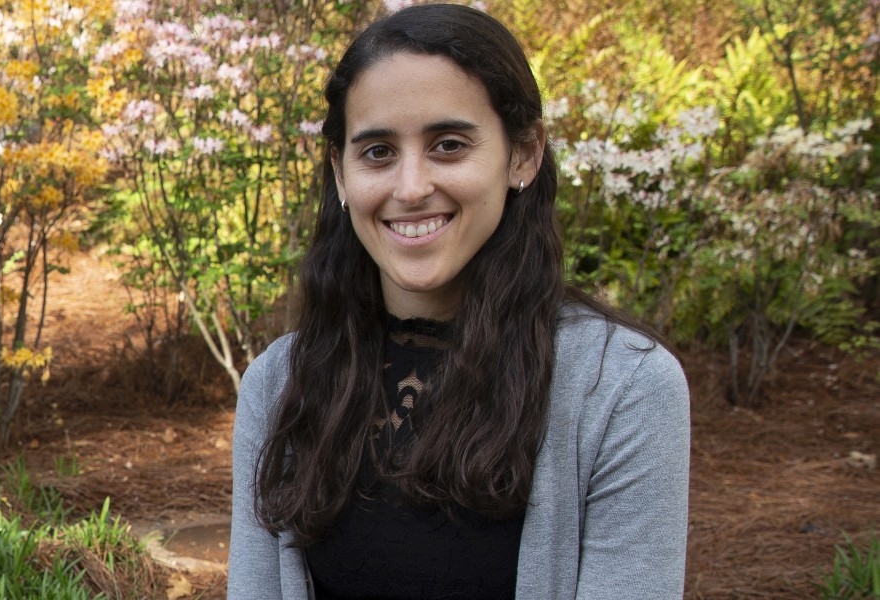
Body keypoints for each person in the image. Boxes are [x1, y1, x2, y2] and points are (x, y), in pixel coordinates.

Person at [228, 4, 690, 599]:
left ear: (522, 155)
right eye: (377, 152)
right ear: (341, 175)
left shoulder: (623, 389)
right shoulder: (279, 385)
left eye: (448, 145)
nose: (412, 187)